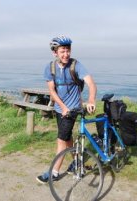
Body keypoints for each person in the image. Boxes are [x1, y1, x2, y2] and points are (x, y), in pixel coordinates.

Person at [36, 35, 97, 184]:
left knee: (61, 140)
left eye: (68, 50)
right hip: (59, 109)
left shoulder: (76, 65)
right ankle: (77, 163)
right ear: (55, 53)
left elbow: (91, 83)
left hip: (73, 109)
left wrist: (90, 100)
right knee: (68, 137)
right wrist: (62, 107)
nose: (66, 54)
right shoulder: (50, 68)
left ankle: (54, 172)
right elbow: (52, 91)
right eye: (62, 51)